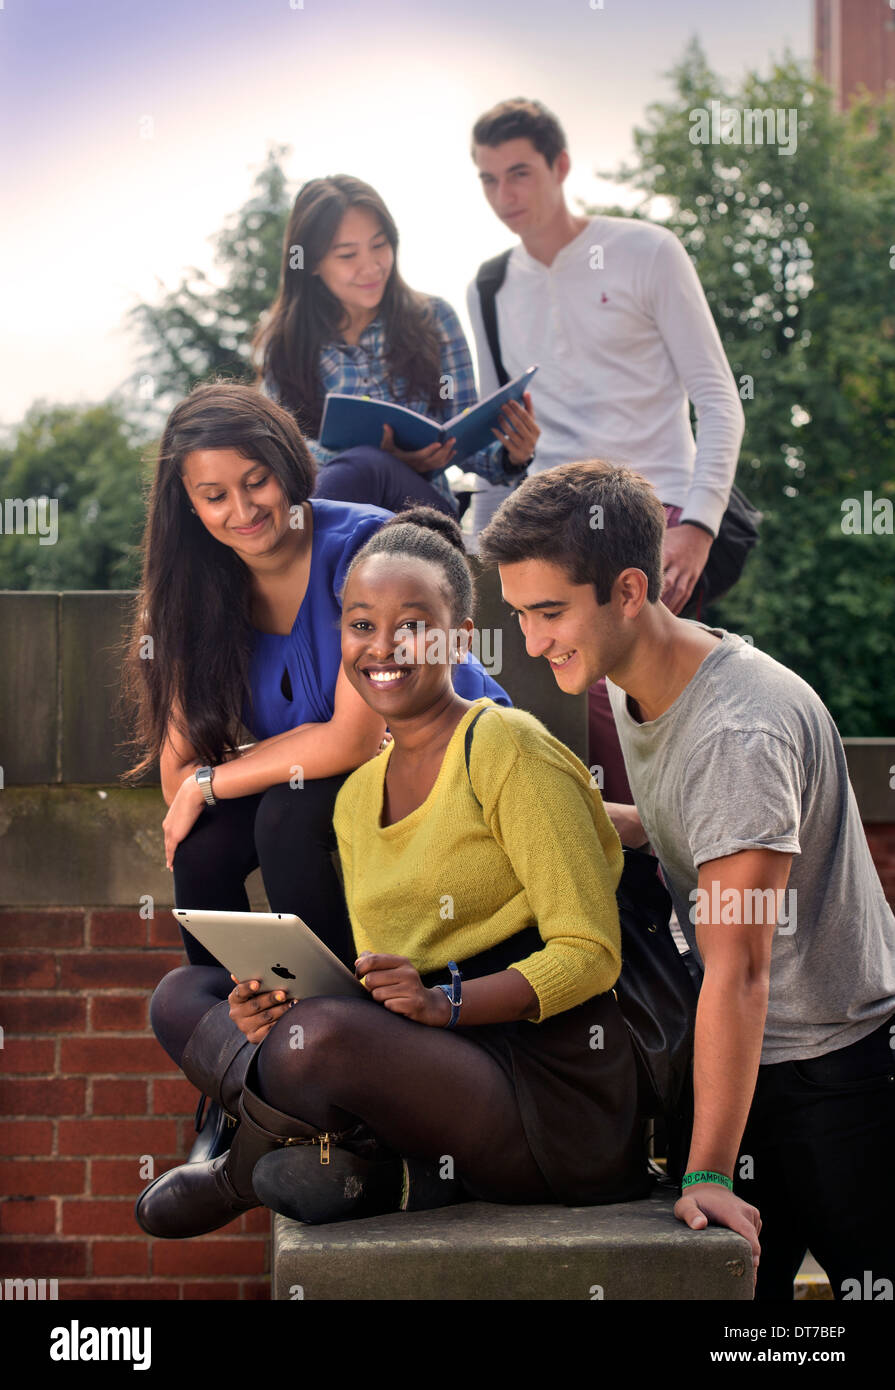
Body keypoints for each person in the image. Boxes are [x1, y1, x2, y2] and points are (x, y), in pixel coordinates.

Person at [134, 507, 650, 1239]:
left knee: (318, 1040)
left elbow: (590, 955)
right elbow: (375, 994)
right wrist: (270, 1014)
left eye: (412, 625)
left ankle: (244, 1167)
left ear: (460, 640)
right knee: (184, 995)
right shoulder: (356, 796)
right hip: (427, 1067)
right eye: (360, 624)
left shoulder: (505, 747)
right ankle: (363, 1160)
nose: (383, 647)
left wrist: (446, 1003)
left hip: (541, 1088)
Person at [477, 459, 895, 1301]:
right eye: (519, 614)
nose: (529, 641)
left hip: (832, 1074)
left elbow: (739, 968)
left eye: (549, 612)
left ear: (629, 589)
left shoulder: (736, 734)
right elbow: (695, 837)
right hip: (758, 1065)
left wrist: (706, 1168)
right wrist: (588, 820)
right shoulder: (651, 686)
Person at [122, 381, 510, 974]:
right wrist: (215, 780)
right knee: (202, 846)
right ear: (188, 502)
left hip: (448, 755)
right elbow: (180, 779)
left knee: (288, 816)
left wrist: (215, 777)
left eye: (257, 481)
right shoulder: (189, 593)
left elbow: (352, 740)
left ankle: (337, 1017)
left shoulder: (364, 547)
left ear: (287, 462)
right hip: (334, 773)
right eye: (215, 495)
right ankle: (230, 1015)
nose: (243, 510)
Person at [466, 97, 746, 801]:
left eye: (521, 174)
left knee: (632, 692)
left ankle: (667, 862)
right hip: (542, 521)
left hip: (651, 504)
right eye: (489, 179)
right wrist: (478, 555)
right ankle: (622, 871)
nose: (505, 196)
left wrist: (697, 526)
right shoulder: (489, 286)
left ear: (561, 166)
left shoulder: (646, 252)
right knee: (535, 700)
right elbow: (497, 450)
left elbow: (718, 399)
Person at [254, 174, 539, 520]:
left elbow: (467, 444)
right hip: (332, 507)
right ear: (312, 263)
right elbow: (278, 452)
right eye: (347, 255)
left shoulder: (434, 319)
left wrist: (513, 454)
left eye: (379, 245)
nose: (372, 266)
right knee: (363, 466)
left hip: (420, 514)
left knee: (368, 467)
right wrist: (369, 458)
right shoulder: (282, 343)